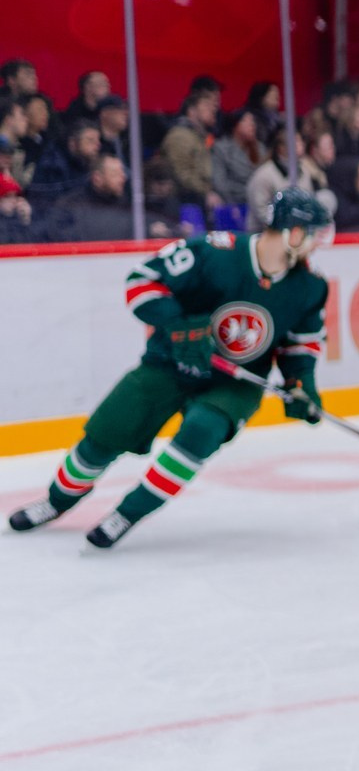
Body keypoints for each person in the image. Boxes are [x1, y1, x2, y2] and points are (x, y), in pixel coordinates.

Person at [10, 191, 331, 548]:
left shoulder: (310, 287)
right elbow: (141, 281)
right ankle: (56, 502)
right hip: (169, 363)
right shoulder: (214, 252)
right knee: (104, 436)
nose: (319, 244)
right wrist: (180, 327)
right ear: (294, 232)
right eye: (315, 234)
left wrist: (301, 385)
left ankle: (125, 515)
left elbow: (301, 345)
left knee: (201, 431)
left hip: (234, 383)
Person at [158, 78, 226, 213]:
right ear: (192, 111)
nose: (213, 108)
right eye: (206, 105)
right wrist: (207, 193)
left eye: (214, 105)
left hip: (200, 199)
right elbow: (182, 175)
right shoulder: (180, 136)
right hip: (183, 203)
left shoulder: (201, 136)